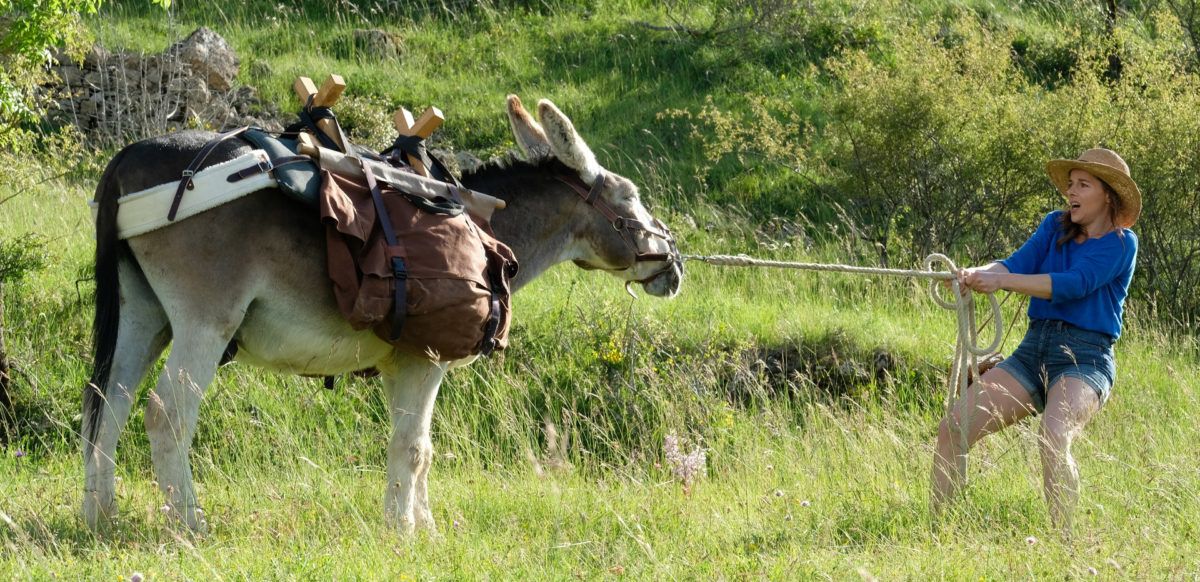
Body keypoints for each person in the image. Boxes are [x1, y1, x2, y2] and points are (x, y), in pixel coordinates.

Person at [930, 148, 1140, 532]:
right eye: (1070, 184)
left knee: (1053, 435)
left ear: (1108, 195)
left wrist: (1001, 280)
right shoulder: (1053, 226)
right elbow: (1015, 265)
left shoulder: (1122, 243)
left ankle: (1064, 547)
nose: (1071, 192)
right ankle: (938, 534)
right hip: (1033, 350)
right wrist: (978, 273)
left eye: (1082, 185)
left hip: (1086, 359)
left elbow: (1074, 285)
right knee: (954, 427)